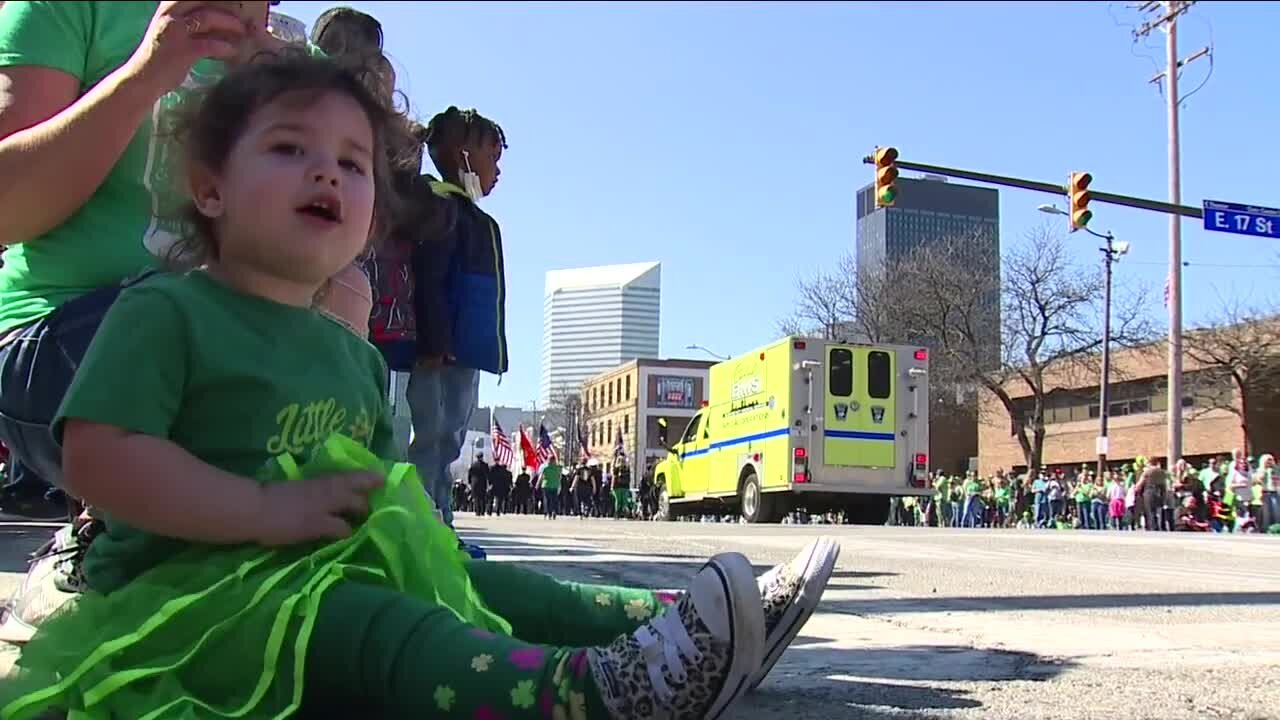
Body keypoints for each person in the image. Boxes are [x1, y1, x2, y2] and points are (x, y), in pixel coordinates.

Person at [0, 52, 843, 720]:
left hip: (318, 571)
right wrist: (259, 512)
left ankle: (675, 620)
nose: (327, 175)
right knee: (390, 630)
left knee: (485, 584)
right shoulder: (167, 315)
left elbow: (384, 489)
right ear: (208, 187)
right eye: (289, 149)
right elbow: (98, 460)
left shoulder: (351, 354)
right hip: (195, 600)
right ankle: (583, 695)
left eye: (352, 163)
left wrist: (397, 528)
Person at [0, 1, 372, 519]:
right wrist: (144, 75)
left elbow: (339, 239)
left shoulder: (295, 63)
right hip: (64, 335)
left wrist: (291, 102)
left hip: (227, 341)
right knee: (229, 374)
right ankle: (121, 541)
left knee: (346, 292)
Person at [407, 106, 508, 538]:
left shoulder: (467, 214)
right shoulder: (440, 207)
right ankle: (421, 524)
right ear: (464, 154)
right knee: (431, 438)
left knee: (449, 440)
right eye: (493, 156)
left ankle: (440, 519)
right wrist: (434, 341)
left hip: (464, 351)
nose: (498, 169)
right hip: (440, 353)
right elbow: (429, 280)